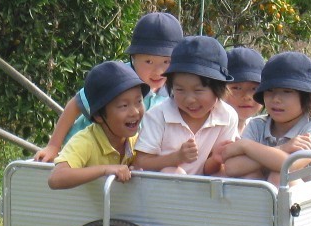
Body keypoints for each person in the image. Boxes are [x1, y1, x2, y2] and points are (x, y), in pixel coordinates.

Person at [34, 12, 183, 162]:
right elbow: (75, 105)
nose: (158, 71)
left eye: (166, 62)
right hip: (83, 155)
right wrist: (53, 146)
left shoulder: (174, 91)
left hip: (120, 160)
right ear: (133, 57)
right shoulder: (115, 77)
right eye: (148, 62)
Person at [134, 36, 239, 175]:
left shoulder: (227, 116)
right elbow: (141, 162)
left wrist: (215, 159)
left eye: (198, 90)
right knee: (172, 171)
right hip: (160, 192)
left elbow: (209, 171)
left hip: (202, 191)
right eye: (180, 90)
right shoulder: (158, 115)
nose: (189, 99)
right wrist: (176, 158)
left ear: (218, 88)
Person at [220, 51, 311, 181]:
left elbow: (290, 165)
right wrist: (283, 149)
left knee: (278, 176)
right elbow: (232, 167)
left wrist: (246, 147)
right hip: (265, 197)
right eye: (270, 91)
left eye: (287, 91)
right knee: (249, 175)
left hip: (306, 199)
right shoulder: (257, 125)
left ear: (310, 98)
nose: (276, 99)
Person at [48, 61, 149, 190]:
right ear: (98, 116)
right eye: (124, 106)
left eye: (139, 101)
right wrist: (105, 170)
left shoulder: (139, 140)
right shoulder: (86, 141)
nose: (135, 111)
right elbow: (56, 178)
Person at [225, 46, 266, 131]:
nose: (247, 96)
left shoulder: (261, 130)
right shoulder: (210, 128)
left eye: (254, 88)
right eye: (236, 88)